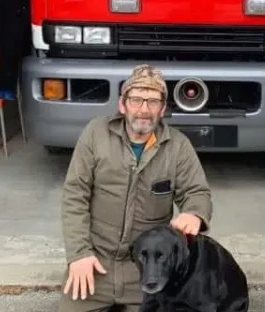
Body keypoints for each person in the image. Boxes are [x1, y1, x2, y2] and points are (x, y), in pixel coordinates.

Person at [59, 64, 213, 312]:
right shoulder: (95, 133)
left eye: (153, 101)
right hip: (95, 263)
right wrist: (78, 254)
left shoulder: (178, 146)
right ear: (122, 104)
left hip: (147, 269)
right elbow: (75, 195)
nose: (144, 110)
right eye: (136, 99)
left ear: (162, 108)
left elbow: (197, 192)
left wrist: (194, 213)